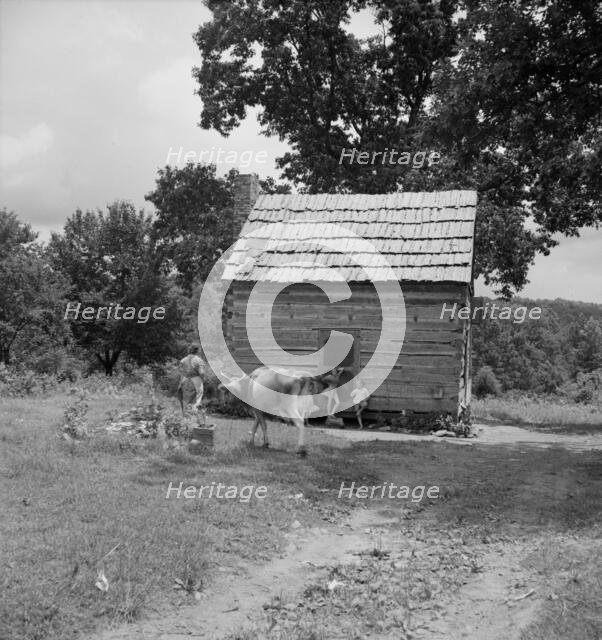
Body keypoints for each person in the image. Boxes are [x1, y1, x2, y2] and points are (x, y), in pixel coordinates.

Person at [177, 345, 206, 416]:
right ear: (197, 351)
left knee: (186, 400)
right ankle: (193, 419)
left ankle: (185, 419)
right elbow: (201, 372)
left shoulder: (183, 360)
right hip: (196, 381)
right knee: (196, 400)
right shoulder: (199, 360)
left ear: (188, 351)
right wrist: (203, 379)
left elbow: (180, 371)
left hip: (185, 380)